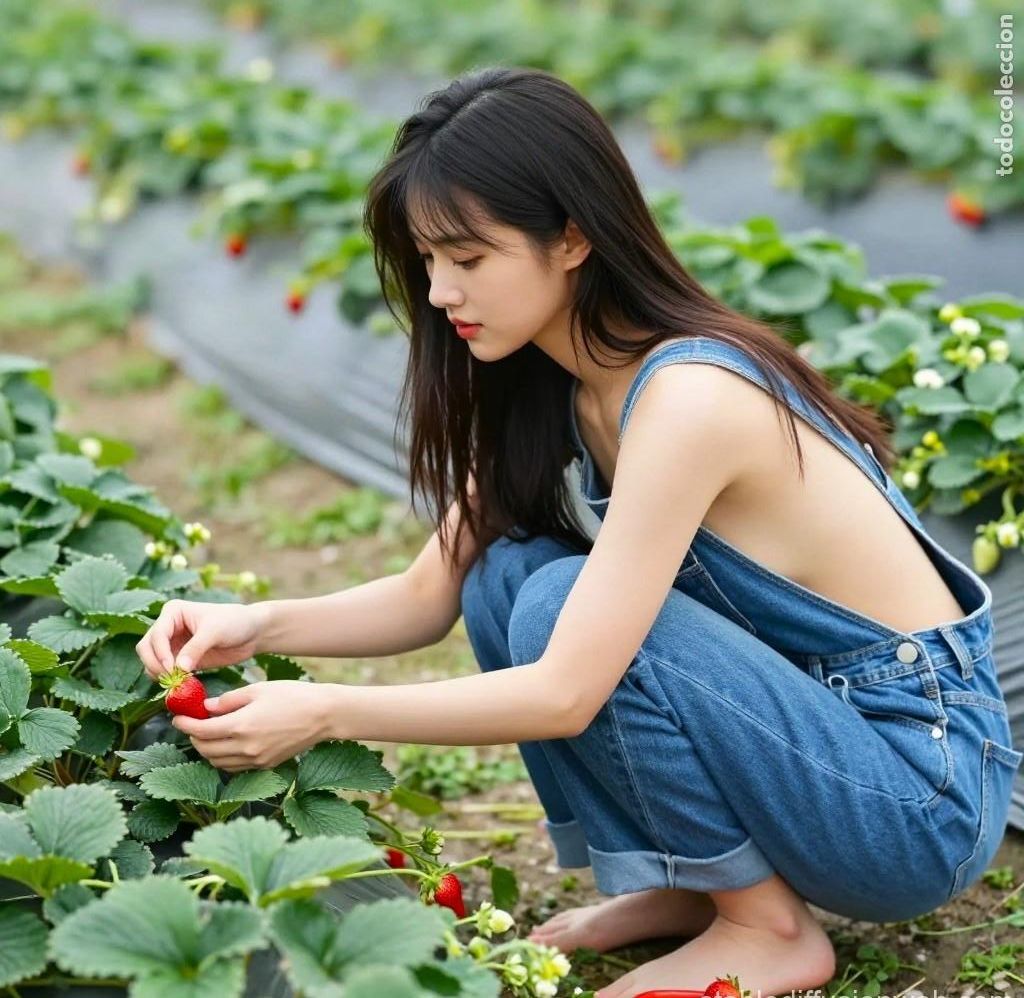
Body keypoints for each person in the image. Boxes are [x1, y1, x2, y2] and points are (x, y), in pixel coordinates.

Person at [136, 67, 1022, 997]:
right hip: (814, 748)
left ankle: (765, 931)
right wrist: (254, 624)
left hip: (917, 798)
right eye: (428, 259)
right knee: (505, 574)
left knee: (558, 602)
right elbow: (426, 596)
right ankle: (694, 885)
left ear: (571, 236)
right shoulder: (556, 384)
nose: (439, 292)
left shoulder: (688, 398)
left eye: (468, 258)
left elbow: (566, 692)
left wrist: (326, 710)